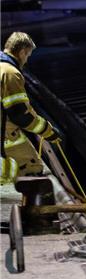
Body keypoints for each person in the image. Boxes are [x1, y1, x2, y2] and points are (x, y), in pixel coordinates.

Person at [1, 31, 59, 181]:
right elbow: (20, 115)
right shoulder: (10, 73)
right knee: (33, 167)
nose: (26, 61)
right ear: (21, 52)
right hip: (5, 136)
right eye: (27, 56)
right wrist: (48, 131)